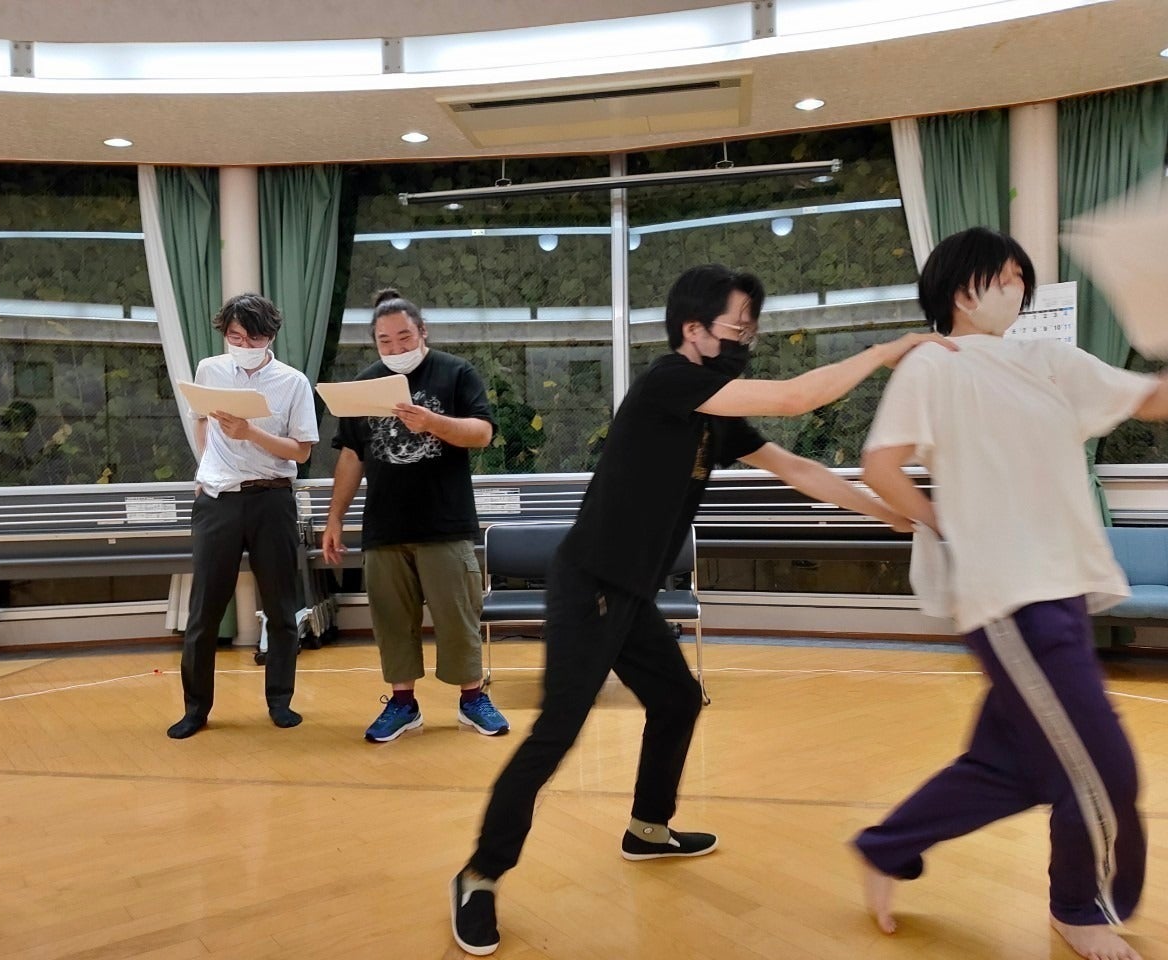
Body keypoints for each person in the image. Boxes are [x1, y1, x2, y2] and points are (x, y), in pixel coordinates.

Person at [450, 263, 954, 956]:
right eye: (736, 327)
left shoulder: (715, 415)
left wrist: (886, 511)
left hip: (630, 591)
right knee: (556, 735)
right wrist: (885, 351)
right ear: (693, 330)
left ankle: (647, 829)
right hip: (590, 584)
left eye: (751, 328)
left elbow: (798, 468)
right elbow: (796, 397)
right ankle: (479, 875)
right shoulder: (668, 382)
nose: (746, 339)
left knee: (678, 701)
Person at [852, 226, 1168, 960]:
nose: (1017, 287)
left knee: (1012, 766)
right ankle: (1079, 907)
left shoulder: (1048, 359)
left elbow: (1150, 398)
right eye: (1004, 275)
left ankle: (885, 846)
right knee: (1102, 769)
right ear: (961, 289)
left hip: (1065, 588)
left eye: (1021, 277)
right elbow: (882, 468)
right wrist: (947, 525)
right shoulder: (933, 365)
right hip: (1010, 598)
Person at [322, 289, 510, 742]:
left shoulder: (455, 372)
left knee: (458, 615)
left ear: (422, 332)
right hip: (385, 526)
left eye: (404, 337)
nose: (396, 347)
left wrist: (433, 423)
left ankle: (472, 699)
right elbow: (351, 456)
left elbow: (482, 433)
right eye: (385, 341)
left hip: (445, 522)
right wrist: (334, 518)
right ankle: (403, 704)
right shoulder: (364, 386)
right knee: (391, 619)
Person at [167, 293, 320, 740]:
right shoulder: (210, 369)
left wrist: (250, 432)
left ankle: (280, 701)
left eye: (253, 338)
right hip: (218, 499)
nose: (243, 345)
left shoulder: (292, 382)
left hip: (272, 498)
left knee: (281, 608)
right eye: (235, 337)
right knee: (204, 610)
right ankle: (195, 709)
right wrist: (206, 466)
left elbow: (302, 451)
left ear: (270, 336)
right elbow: (200, 419)